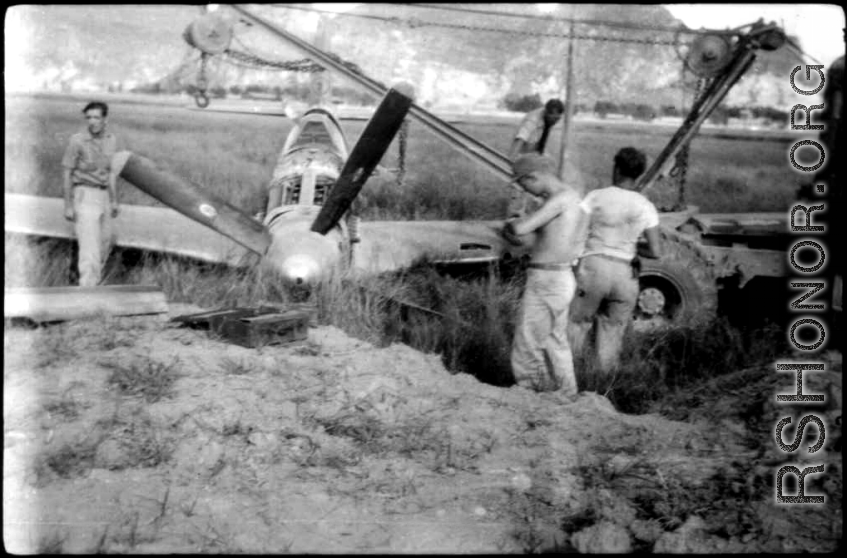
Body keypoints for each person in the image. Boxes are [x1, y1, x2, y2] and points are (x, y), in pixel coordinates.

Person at [568, 147, 663, 374]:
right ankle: (601, 388)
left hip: (594, 267)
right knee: (612, 332)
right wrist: (633, 250)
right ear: (639, 173)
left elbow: (576, 235)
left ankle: (568, 380)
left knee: (577, 323)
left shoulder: (596, 197)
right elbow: (656, 251)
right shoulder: (645, 206)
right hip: (625, 274)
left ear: (616, 168)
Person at [502, 153, 589, 396]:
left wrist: (512, 220)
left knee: (527, 343)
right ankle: (567, 394)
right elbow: (539, 242)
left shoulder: (559, 200)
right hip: (560, 277)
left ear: (534, 177)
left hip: (547, 279)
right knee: (555, 343)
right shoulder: (573, 199)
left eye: (524, 184)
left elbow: (520, 230)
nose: (525, 190)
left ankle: (529, 394)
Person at [62, 101, 126, 287]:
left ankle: (93, 289)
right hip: (85, 194)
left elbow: (111, 174)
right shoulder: (77, 141)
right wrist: (68, 205)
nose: (92, 121)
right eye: (88, 117)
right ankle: (88, 297)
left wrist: (114, 201)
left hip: (104, 196)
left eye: (96, 117)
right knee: (90, 252)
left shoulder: (111, 140)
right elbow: (67, 173)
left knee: (103, 246)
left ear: (105, 119)